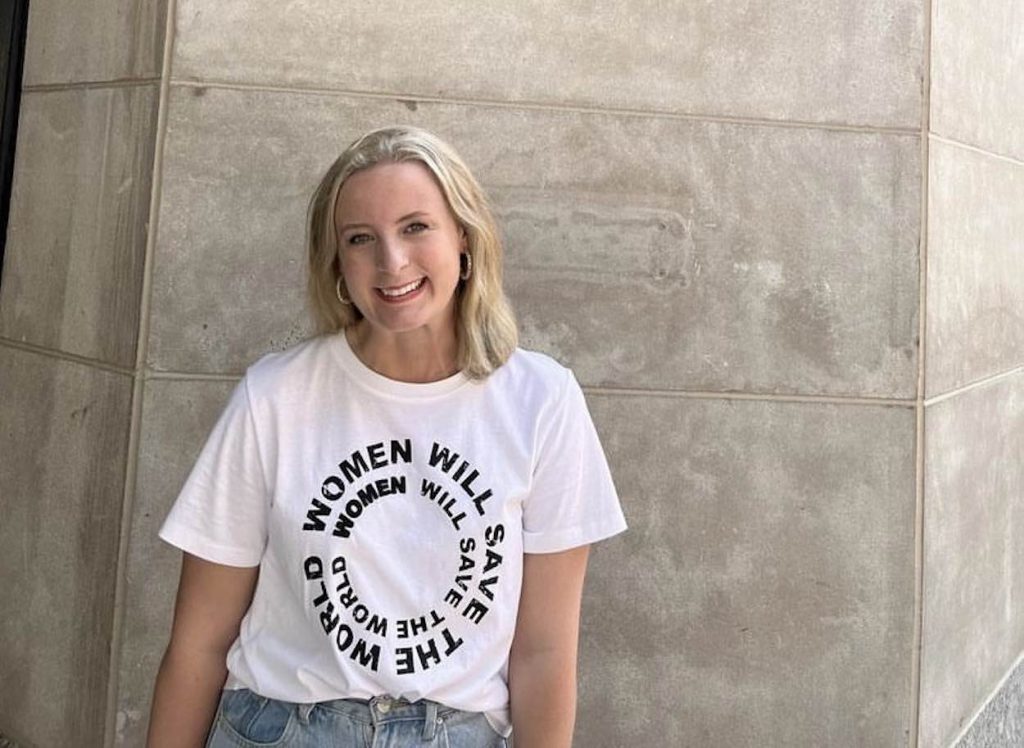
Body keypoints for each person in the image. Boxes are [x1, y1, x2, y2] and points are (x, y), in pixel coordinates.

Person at [147, 126, 626, 748]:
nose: (391, 261)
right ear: (338, 263)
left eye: (415, 227)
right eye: (360, 239)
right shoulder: (275, 396)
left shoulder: (541, 400)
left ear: (466, 238)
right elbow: (198, 644)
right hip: (282, 726)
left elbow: (544, 654)